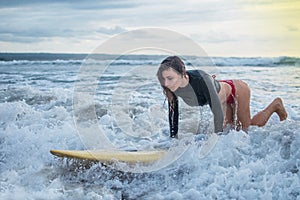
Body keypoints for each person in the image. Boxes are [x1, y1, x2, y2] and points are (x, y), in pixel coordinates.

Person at [156, 56, 288, 138]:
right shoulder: (172, 87)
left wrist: (216, 142)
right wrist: (173, 140)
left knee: (247, 129)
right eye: (164, 79)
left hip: (237, 91)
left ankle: (275, 105)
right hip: (222, 96)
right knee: (232, 130)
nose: (166, 83)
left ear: (182, 74)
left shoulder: (202, 80)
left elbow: (217, 113)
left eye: (170, 78)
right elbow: (173, 113)